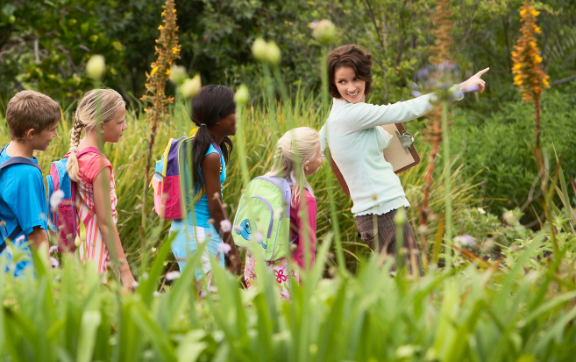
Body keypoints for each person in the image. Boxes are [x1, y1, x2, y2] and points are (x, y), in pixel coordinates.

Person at [319, 45, 487, 271]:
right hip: (382, 214)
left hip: (380, 213)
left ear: (366, 77)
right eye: (342, 82)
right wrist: (461, 87)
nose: (351, 87)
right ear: (334, 84)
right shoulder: (352, 115)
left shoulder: (337, 114)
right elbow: (406, 109)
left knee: (403, 288)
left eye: (356, 78)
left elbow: (315, 146)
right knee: (410, 284)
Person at [170, 85, 242, 279]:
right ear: (218, 119)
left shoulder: (191, 144)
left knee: (198, 301)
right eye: (234, 111)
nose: (238, 116)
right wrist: (233, 253)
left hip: (181, 231)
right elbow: (215, 208)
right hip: (199, 235)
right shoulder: (210, 155)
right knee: (210, 303)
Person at [66, 89, 136, 289]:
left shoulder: (75, 155)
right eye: (120, 122)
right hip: (97, 255)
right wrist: (125, 272)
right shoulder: (99, 164)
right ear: (101, 126)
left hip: (78, 251)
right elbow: (105, 224)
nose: (125, 126)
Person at [243, 127, 322, 299]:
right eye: (319, 155)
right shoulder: (303, 198)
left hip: (255, 263)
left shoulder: (264, 185)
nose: (322, 159)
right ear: (306, 165)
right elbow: (306, 249)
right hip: (284, 272)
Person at [0, 90, 61, 277]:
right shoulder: (26, 173)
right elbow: (37, 235)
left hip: (1, 264)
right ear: (31, 133)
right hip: (22, 272)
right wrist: (48, 285)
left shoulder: (5, 154)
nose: (55, 134)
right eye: (52, 129)